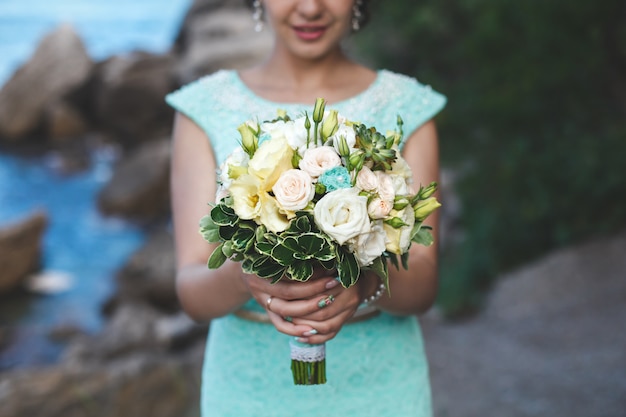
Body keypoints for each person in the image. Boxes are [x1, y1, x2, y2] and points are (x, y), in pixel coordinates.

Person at [166, 0, 446, 415]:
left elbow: (423, 285)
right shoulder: (203, 109)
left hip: (380, 390)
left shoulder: (406, 108)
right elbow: (192, 291)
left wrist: (366, 284)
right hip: (248, 393)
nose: (311, 7)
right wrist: (248, 279)